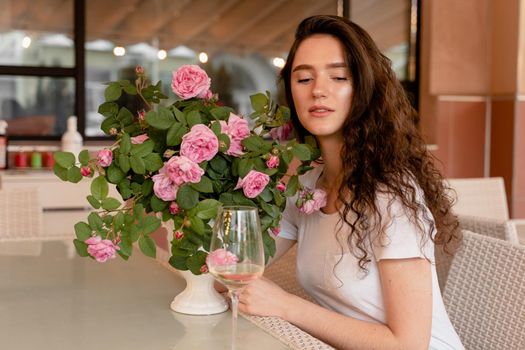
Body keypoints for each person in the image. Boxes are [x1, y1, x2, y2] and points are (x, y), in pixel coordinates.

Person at [236, 15, 464, 349]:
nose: (318, 90)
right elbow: (243, 261)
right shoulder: (309, 182)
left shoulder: (389, 194)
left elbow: (408, 344)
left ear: (364, 88)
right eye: (303, 79)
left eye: (339, 76)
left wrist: (285, 306)